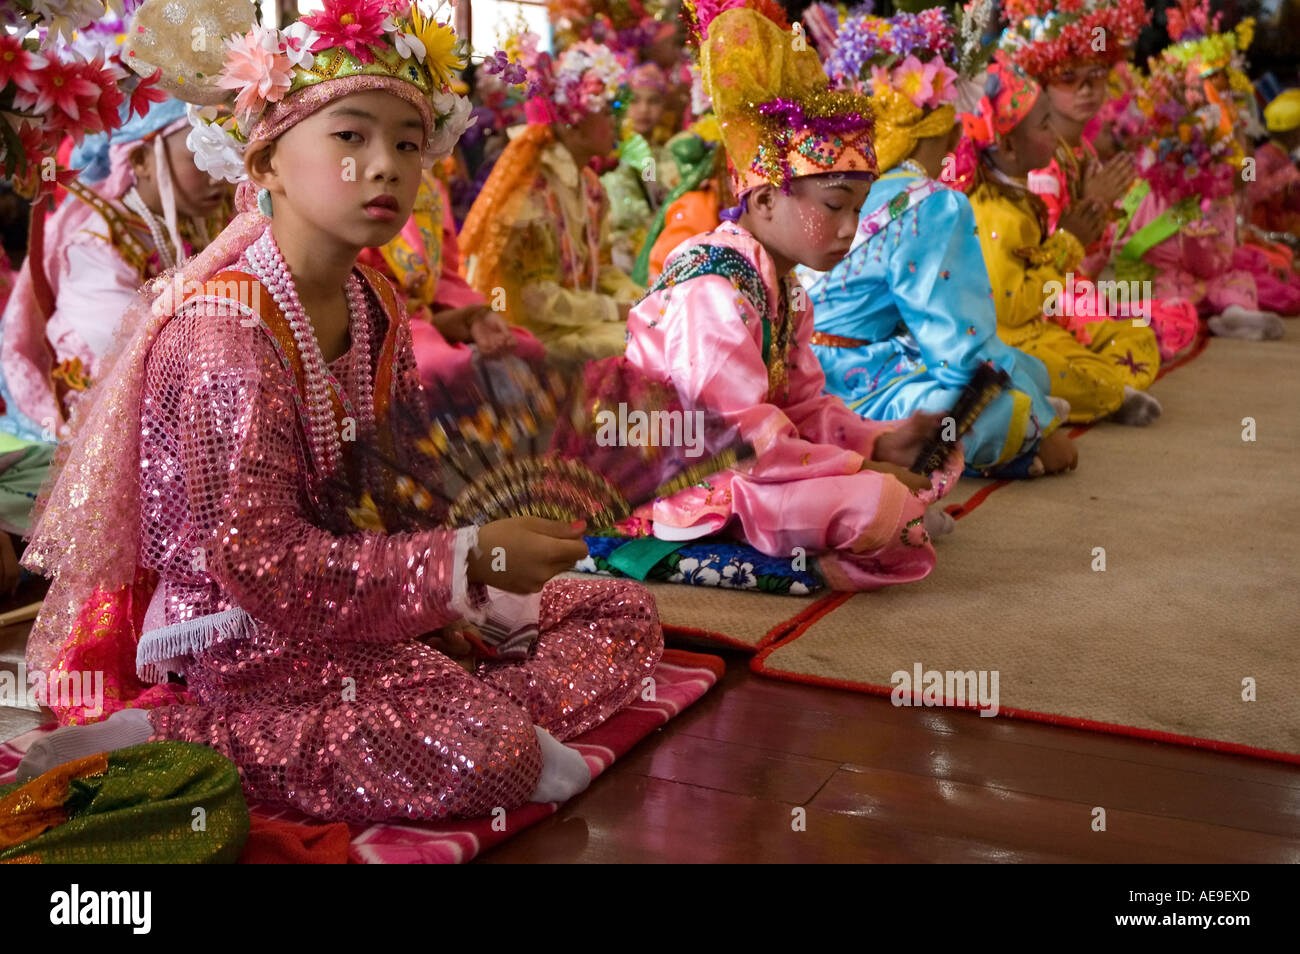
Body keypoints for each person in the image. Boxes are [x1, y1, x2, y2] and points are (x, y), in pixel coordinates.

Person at [17, 3, 662, 822]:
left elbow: (389, 486)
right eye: (350, 137)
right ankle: (172, 734)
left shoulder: (374, 296)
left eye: (405, 142)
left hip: (356, 601)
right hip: (248, 638)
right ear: (268, 161)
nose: (384, 166)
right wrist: (454, 568)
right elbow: (258, 567)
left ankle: (430, 714)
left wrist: (442, 597)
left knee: (618, 611)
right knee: (490, 755)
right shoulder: (225, 334)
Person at [623, 3, 963, 593]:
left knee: (928, 460)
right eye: (833, 206)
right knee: (881, 507)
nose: (847, 229)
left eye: (857, 211)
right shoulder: (713, 288)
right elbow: (738, 440)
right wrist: (863, 468)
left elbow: (803, 408)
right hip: (687, 482)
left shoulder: (787, 288)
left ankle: (831, 524)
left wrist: (877, 439)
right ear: (762, 201)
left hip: (757, 465)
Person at [801, 8, 1076, 478]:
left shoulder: (843, 179)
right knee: (998, 406)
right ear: (951, 128)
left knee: (1030, 368)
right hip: (851, 389)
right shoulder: (927, 202)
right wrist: (1040, 430)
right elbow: (959, 348)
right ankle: (996, 444)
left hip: (802, 381)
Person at [962, 56, 1163, 426]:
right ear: (1007, 147)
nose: (1054, 134)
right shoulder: (995, 212)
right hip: (1010, 339)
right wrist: (1068, 244)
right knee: (1099, 380)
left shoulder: (1019, 194)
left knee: (1136, 337)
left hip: (1044, 319)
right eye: (1044, 125)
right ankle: (1038, 399)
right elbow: (1010, 307)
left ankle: (1041, 398)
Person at [460, 40, 642, 364]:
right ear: (574, 119)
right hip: (535, 332)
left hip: (582, 321)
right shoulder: (533, 190)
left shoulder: (590, 185)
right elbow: (534, 299)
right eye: (608, 112)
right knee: (640, 349)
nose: (616, 124)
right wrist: (612, 308)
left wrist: (640, 299)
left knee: (658, 332)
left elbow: (603, 267)